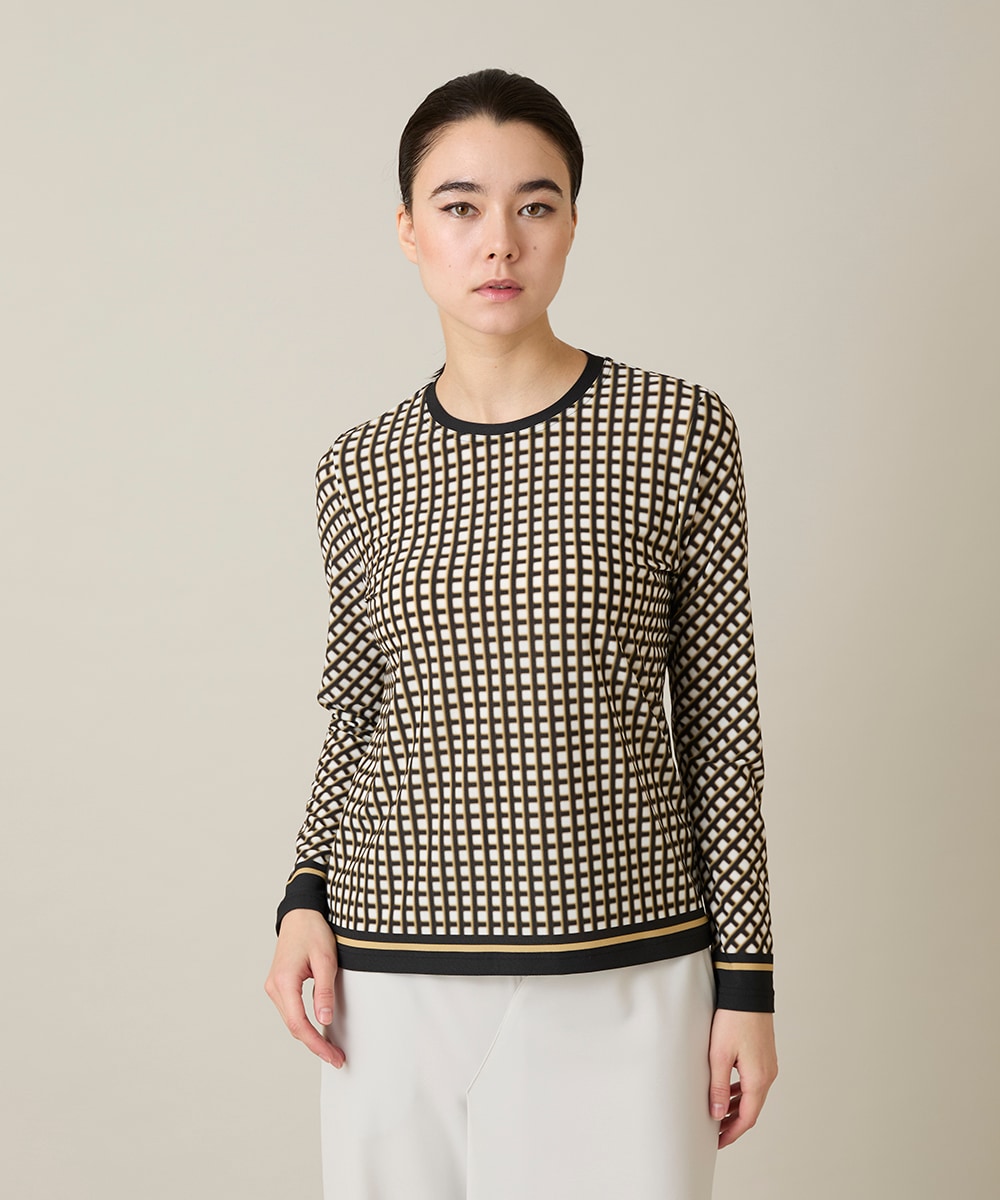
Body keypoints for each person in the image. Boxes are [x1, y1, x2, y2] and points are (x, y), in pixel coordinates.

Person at [265, 67, 777, 1200]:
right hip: (390, 971)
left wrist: (746, 982)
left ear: (573, 223)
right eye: (460, 206)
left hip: (628, 963)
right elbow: (359, 710)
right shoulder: (359, 466)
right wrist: (303, 896)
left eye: (534, 205)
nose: (499, 240)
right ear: (409, 230)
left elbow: (722, 730)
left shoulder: (678, 429)